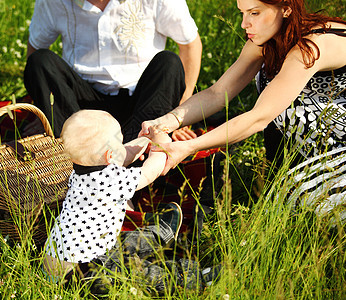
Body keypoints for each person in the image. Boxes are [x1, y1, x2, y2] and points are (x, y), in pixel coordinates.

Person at [139, 0, 346, 217]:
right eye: (242, 13)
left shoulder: (311, 47)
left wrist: (189, 147)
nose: (244, 24)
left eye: (254, 13)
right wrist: (166, 121)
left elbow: (259, 118)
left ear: (286, 9)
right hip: (308, 150)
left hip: (337, 150)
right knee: (289, 200)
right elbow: (218, 93)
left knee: (300, 204)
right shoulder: (266, 41)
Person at [23, 0, 202, 142]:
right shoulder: (53, 2)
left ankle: (139, 147)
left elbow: (190, 46)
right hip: (79, 105)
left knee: (169, 62)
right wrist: (45, 109)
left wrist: (178, 116)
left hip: (141, 101)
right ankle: (73, 145)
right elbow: (36, 48)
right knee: (40, 61)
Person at [42, 109, 175, 281]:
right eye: (119, 141)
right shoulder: (112, 182)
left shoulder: (79, 174)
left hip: (56, 261)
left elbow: (122, 155)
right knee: (136, 272)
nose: (122, 145)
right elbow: (150, 172)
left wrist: (146, 139)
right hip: (84, 271)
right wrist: (161, 146)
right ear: (109, 155)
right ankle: (184, 274)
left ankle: (160, 234)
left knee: (122, 244)